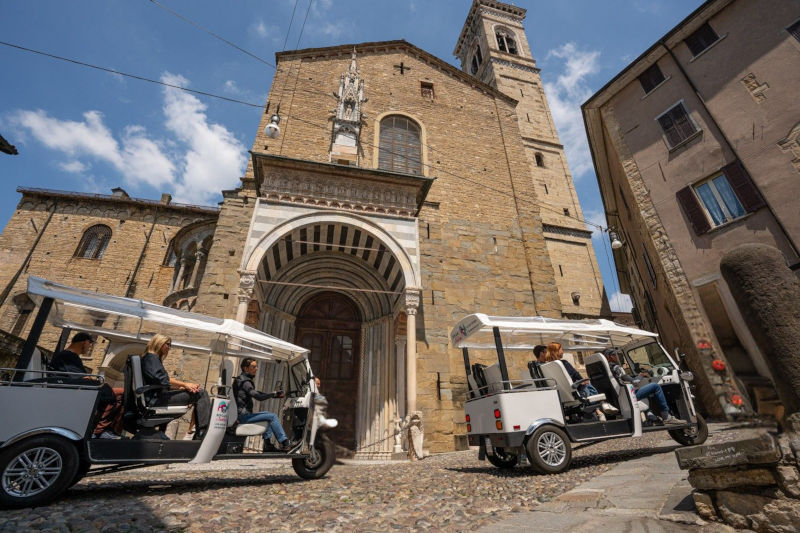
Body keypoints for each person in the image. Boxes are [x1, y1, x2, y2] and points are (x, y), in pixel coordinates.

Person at [49, 332, 124, 439]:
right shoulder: (68, 356)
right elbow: (80, 378)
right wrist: (99, 382)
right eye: (90, 344)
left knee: (114, 392)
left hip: (75, 390)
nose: (89, 347)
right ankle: (99, 431)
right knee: (120, 393)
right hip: (74, 392)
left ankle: (103, 430)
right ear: (85, 342)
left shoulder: (69, 356)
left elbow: (79, 375)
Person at [141, 334, 211, 439]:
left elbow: (161, 382)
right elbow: (162, 380)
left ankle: (198, 431)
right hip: (156, 399)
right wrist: (185, 384)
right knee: (201, 393)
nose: (169, 347)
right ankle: (202, 432)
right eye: (168, 344)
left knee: (196, 393)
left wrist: (182, 388)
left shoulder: (152, 359)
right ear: (159, 343)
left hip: (158, 396)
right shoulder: (151, 358)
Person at [603, 348, 683, 425]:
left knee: (646, 391)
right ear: (609, 356)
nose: (618, 356)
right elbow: (635, 382)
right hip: (628, 396)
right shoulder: (616, 368)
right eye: (615, 354)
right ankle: (667, 417)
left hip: (619, 398)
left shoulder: (605, 371)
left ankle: (651, 417)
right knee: (655, 386)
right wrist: (642, 375)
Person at [543, 342, 614, 421]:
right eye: (561, 349)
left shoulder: (546, 367)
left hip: (561, 396)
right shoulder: (564, 363)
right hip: (576, 393)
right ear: (556, 351)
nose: (562, 351)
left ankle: (600, 409)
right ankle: (602, 404)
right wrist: (583, 381)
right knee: (588, 385)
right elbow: (577, 376)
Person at [233, 358, 292, 451]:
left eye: (256, 366)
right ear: (245, 368)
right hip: (243, 416)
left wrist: (274, 395)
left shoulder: (242, 380)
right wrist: (273, 394)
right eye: (253, 367)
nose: (256, 368)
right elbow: (258, 396)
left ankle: (267, 445)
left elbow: (257, 392)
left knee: (267, 416)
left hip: (244, 415)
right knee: (272, 416)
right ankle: (285, 442)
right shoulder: (245, 382)